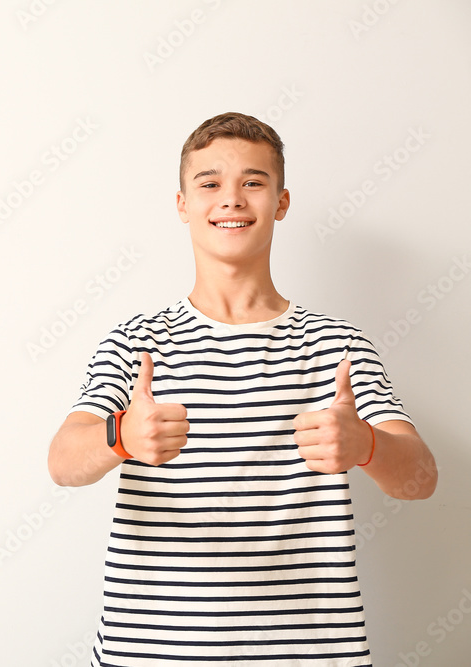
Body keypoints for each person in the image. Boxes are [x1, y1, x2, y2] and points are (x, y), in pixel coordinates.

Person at [47, 112, 437, 666]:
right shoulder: (137, 341)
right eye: (209, 183)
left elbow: (420, 479)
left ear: (280, 201)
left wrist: (367, 445)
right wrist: (121, 437)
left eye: (253, 182)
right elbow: (62, 462)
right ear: (182, 204)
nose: (231, 199)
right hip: (152, 654)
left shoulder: (336, 345)